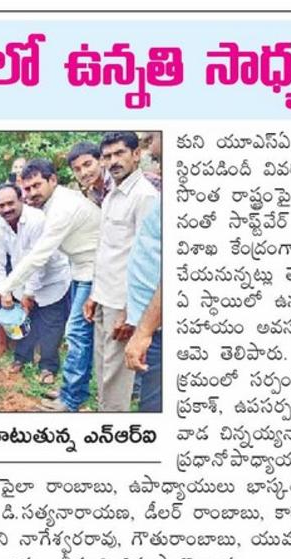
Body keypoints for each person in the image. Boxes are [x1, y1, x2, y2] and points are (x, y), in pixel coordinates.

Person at [0, 158, 100, 412]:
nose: (32, 193)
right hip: (81, 270)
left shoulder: (59, 210)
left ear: (53, 180)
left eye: (36, 186)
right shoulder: (46, 207)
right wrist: (7, 290)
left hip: (91, 271)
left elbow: (38, 257)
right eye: (28, 188)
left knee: (74, 334)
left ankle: (71, 399)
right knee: (78, 334)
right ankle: (72, 391)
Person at [82, 131, 159, 412]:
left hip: (122, 303)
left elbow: (147, 261)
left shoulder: (145, 197)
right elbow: (106, 249)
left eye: (119, 154)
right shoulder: (112, 192)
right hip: (104, 296)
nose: (113, 161)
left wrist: (131, 311)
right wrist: (93, 294)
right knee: (103, 370)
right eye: (107, 156)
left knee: (116, 378)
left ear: (136, 154)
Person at [0, 183, 70, 384]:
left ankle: (47, 367)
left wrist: (29, 294)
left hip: (52, 281)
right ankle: (20, 358)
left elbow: (39, 262)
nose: (6, 209)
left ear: (21, 200)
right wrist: (5, 291)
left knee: (50, 326)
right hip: (22, 281)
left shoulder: (37, 220)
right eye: (2, 205)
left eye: (10, 203)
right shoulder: (0, 224)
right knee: (23, 323)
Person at [123, 194, 162, 412]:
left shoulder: (145, 194)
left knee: (154, 407)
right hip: (147, 319)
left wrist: (144, 331)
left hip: (157, 327)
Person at [67, 141, 112, 207]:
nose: (83, 173)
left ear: (101, 161)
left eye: (88, 165)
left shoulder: (116, 182)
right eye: (77, 169)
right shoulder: (92, 194)